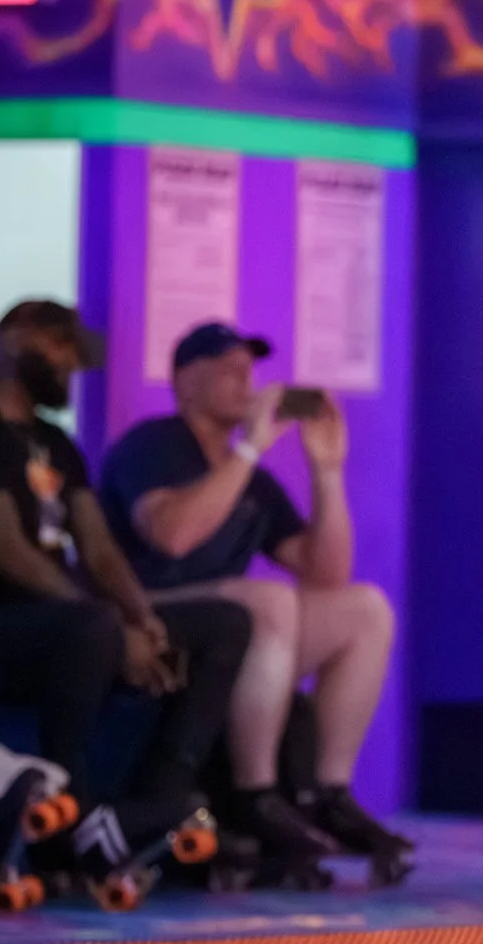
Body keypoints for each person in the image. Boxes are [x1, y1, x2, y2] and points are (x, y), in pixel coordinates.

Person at [0, 301, 253, 829]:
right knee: (93, 626)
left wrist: (141, 617)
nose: (72, 364)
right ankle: (66, 807)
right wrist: (116, 627)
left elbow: (98, 549)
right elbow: (9, 553)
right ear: (13, 340)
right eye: (61, 347)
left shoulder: (58, 445)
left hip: (61, 628)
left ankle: (159, 799)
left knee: (228, 623)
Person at [98, 322, 408, 887]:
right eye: (229, 367)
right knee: (266, 600)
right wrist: (247, 449)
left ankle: (327, 793)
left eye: (251, 367)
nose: (248, 379)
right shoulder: (154, 444)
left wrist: (327, 470)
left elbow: (326, 573)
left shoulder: (253, 479)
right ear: (185, 382)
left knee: (365, 608)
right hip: (145, 621)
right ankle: (255, 794)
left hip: (231, 631)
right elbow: (173, 535)